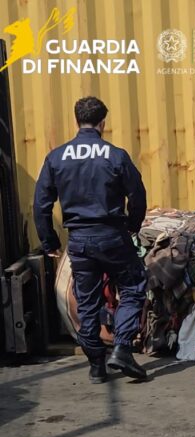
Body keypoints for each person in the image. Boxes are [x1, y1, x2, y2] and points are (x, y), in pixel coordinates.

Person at [34, 96, 148, 383]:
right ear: (103, 123)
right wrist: (132, 227)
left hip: (80, 241)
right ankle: (122, 347)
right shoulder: (116, 155)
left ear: (77, 121)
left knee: (87, 302)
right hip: (113, 236)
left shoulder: (56, 157)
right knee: (133, 286)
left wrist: (50, 243)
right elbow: (137, 197)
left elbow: (41, 205)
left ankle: (96, 365)